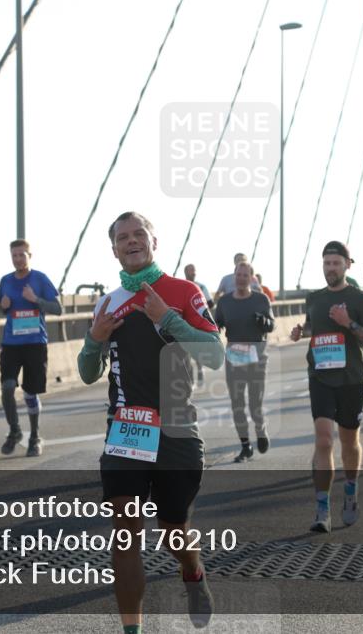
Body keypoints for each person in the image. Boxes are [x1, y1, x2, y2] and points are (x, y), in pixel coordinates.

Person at [76, 212, 223, 632]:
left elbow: (214, 355)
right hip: (125, 431)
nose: (132, 241)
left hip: (176, 431)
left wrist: (168, 318)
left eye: (139, 233)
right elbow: (88, 371)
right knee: (124, 534)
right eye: (123, 237)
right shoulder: (108, 302)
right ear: (114, 249)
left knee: (174, 532)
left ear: (154, 241)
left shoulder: (182, 291)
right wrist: (94, 339)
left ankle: (192, 572)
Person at [290, 241, 363, 532]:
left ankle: (351, 490)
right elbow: (313, 326)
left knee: (349, 442)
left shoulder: (360, 299)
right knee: (324, 440)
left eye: (336, 263)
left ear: (347, 265)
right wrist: (300, 332)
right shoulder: (314, 298)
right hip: (320, 377)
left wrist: (348, 322)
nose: (331, 268)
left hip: (352, 380)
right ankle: (322, 508)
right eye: (327, 263)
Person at [0, 239, 61, 457]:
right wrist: (3, 307)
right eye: (14, 255)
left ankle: (35, 437)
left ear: (30, 256)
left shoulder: (40, 279)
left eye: (22, 255)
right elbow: (3, 309)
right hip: (11, 343)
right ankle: (14, 430)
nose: (18, 259)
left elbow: (58, 309)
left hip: (35, 343)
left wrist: (36, 299)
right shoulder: (5, 280)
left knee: (30, 393)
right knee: (7, 387)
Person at [215, 262, 274, 462]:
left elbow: (272, 325)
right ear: (234, 277)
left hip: (257, 358)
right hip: (235, 357)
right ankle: (245, 446)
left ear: (251, 278)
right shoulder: (224, 302)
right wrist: (217, 327)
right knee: (237, 404)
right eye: (238, 275)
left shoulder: (261, 299)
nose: (241, 279)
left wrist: (264, 322)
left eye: (245, 275)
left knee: (255, 403)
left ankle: (260, 428)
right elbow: (217, 323)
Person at [184, 263, 214, 382]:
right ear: (185, 272)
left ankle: (200, 368)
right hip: (185, 323)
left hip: (198, 323)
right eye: (191, 271)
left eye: (194, 271)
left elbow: (211, 303)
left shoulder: (201, 286)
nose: (193, 273)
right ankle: (190, 375)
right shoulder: (180, 286)